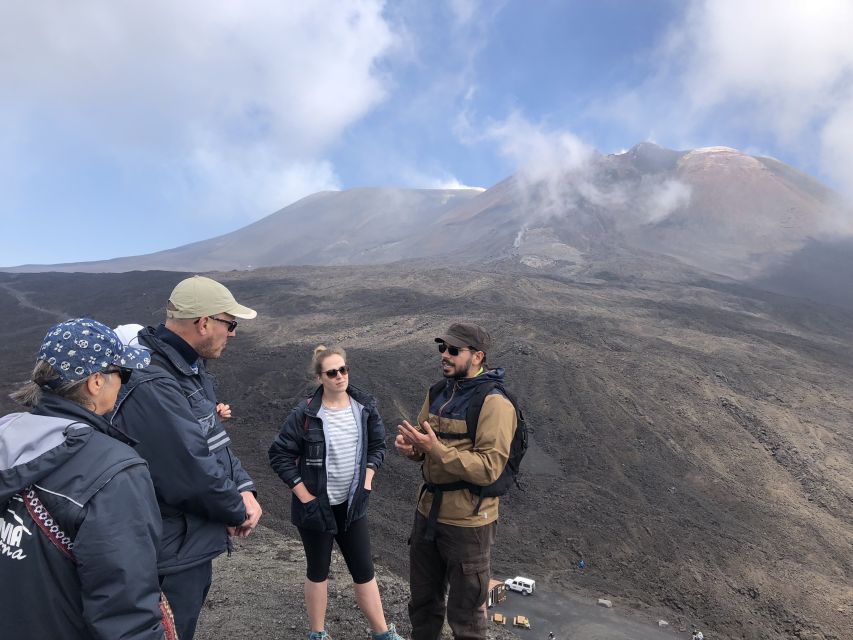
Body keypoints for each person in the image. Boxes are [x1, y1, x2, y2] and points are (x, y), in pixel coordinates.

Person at [109, 275, 263, 640]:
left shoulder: (187, 368)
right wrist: (236, 509)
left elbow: (212, 438)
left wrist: (243, 486)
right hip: (167, 550)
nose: (234, 333)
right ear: (204, 323)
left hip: (186, 540)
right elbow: (188, 470)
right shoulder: (154, 381)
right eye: (230, 323)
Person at [0, 318, 166, 639]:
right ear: (95, 382)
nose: (124, 383)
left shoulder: (7, 434)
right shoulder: (114, 470)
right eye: (123, 373)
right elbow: (125, 608)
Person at [269, 345, 404, 640]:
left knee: (364, 569)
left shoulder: (364, 408)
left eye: (343, 369)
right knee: (318, 570)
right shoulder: (305, 414)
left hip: (352, 504)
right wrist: (305, 496)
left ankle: (382, 633)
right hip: (316, 508)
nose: (340, 376)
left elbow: (378, 446)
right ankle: (317, 634)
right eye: (332, 372)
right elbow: (279, 454)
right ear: (320, 377)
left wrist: (367, 479)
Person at [396, 322, 517, 640]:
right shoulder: (436, 392)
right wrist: (413, 451)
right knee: (422, 604)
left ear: (477, 357)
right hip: (426, 515)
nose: (444, 355)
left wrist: (434, 449)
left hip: (469, 525)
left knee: (465, 615)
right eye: (442, 349)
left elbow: (489, 468)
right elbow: (424, 448)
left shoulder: (495, 404)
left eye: (453, 350)